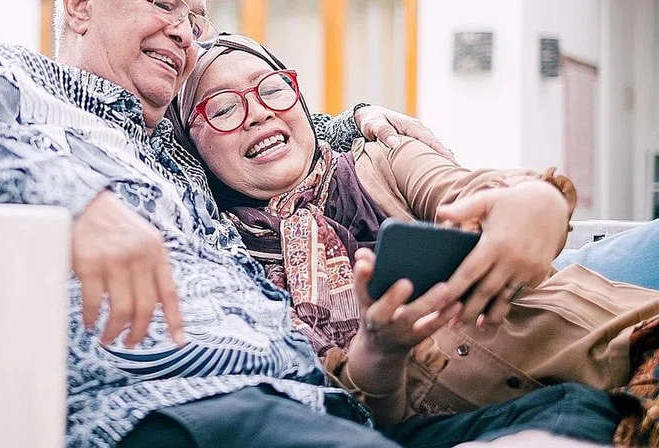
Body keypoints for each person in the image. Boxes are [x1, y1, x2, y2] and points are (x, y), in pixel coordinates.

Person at [0, 0, 621, 447]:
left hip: (318, 404)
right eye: (165, 4)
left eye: (198, 20)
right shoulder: (10, 85)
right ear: (80, 2)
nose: (185, 32)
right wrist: (75, 200)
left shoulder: (176, 153)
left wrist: (360, 119)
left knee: (580, 414)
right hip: (191, 403)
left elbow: (277, 133)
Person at [169, 33, 659, 432]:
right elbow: (361, 417)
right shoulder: (224, 270)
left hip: (620, 344)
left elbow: (471, 188)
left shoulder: (382, 160)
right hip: (502, 423)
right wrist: (381, 349)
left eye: (273, 88)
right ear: (189, 144)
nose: (258, 111)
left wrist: (536, 202)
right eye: (223, 109)